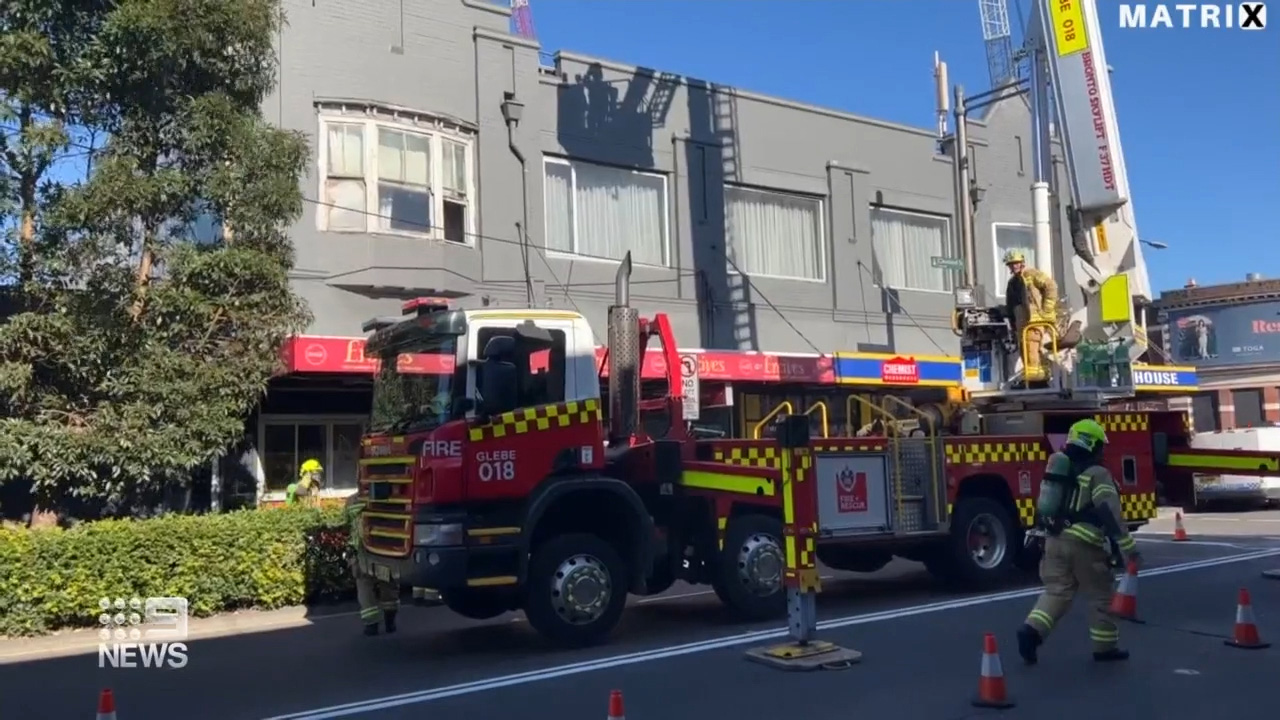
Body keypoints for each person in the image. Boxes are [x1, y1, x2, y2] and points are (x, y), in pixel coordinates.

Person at [1017, 418, 1141, 664]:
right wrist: (1129, 549)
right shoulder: (1097, 474)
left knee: (1056, 591)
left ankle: (1031, 631)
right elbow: (1109, 513)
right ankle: (1105, 648)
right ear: (1092, 445)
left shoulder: (1059, 469)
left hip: (1053, 539)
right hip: (1084, 544)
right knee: (1100, 596)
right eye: (1100, 445)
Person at [344, 493, 400, 635]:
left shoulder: (351, 501)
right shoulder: (385, 496)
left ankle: (371, 625)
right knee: (387, 582)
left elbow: (345, 524)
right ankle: (390, 622)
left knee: (364, 586)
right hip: (382, 548)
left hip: (361, 550)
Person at [1003, 249, 1058, 382]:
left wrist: (1047, 308)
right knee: (1024, 348)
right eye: (1011, 264)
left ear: (1022, 263)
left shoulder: (1031, 274)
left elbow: (1051, 286)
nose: (1013, 266)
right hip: (1021, 321)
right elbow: (1011, 304)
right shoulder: (1012, 283)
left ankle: (1035, 377)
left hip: (1036, 319)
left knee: (1031, 344)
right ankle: (1036, 374)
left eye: (1016, 263)